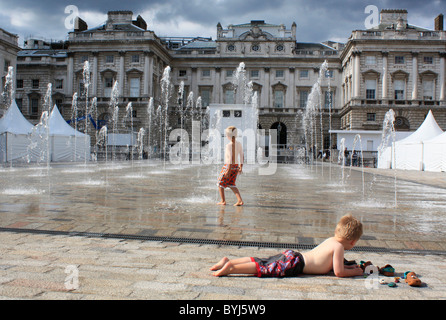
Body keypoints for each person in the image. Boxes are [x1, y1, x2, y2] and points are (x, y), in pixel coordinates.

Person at [210, 214, 364, 278]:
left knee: (263, 261)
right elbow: (338, 272)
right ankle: (232, 268)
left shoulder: (331, 240)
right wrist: (354, 272)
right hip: (296, 263)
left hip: (294, 256)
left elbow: (335, 266)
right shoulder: (339, 248)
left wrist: (352, 267)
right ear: (353, 241)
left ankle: (228, 261)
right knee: (265, 269)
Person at [216, 126, 244, 206]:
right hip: (236, 166)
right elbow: (242, 156)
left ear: (228, 136)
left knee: (220, 183)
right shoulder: (239, 144)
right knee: (231, 184)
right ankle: (240, 200)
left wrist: (228, 170)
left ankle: (223, 201)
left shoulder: (229, 145)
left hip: (228, 166)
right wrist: (241, 167)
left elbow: (231, 158)